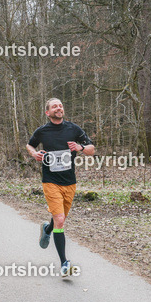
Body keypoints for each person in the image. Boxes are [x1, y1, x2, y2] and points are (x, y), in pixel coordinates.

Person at [26, 98, 95, 278]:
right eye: (54, 106)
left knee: (59, 220)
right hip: (50, 181)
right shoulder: (42, 131)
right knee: (60, 219)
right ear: (48, 113)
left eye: (60, 105)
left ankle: (47, 230)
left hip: (69, 181)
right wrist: (34, 154)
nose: (59, 108)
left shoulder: (74, 129)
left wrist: (80, 147)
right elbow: (30, 144)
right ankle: (64, 263)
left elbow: (91, 149)